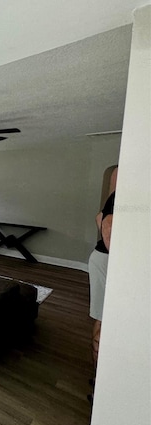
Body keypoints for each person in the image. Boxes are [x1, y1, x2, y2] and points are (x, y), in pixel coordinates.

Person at [87, 166, 117, 402]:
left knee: (103, 316)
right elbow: (105, 226)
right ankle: (100, 382)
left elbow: (99, 218)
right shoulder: (120, 198)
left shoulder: (114, 199)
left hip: (102, 260)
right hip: (107, 262)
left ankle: (101, 378)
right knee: (103, 316)